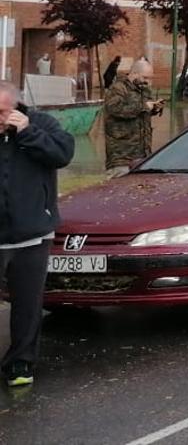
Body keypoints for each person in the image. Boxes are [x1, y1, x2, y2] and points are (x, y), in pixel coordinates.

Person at [0, 79, 75, 387]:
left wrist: (28, 132)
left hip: (32, 233)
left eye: (3, 111)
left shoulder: (41, 124)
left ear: (16, 106)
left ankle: (20, 363)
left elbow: (63, 154)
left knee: (27, 305)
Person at [103, 59, 160, 171]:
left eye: (150, 78)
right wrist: (143, 107)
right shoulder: (118, 88)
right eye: (145, 77)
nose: (147, 81)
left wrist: (154, 108)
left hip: (143, 156)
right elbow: (114, 109)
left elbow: (142, 111)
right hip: (122, 156)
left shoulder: (144, 90)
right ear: (134, 74)